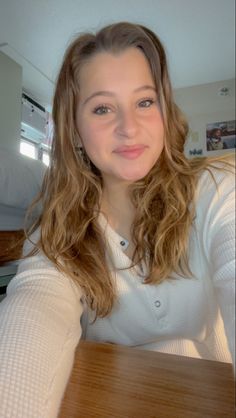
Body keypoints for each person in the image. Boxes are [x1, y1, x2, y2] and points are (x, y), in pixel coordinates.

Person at [0, 22, 235, 418]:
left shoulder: (217, 192)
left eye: (145, 102)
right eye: (103, 108)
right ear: (74, 128)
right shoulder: (59, 232)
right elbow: (31, 313)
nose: (129, 127)